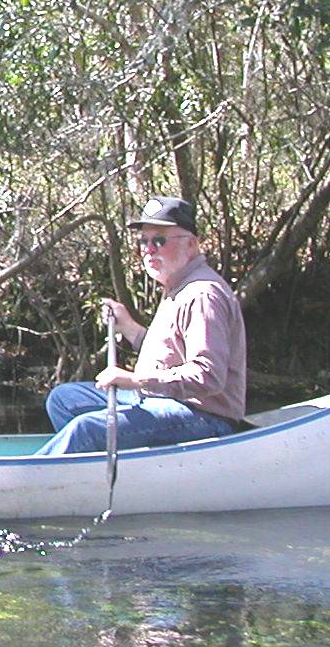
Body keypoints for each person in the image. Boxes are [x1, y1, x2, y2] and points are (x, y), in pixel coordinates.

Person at [40, 195, 246, 455]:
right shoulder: (176, 285)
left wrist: (136, 380)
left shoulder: (202, 295)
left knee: (87, 429)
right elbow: (171, 353)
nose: (149, 249)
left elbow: (207, 376)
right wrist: (129, 328)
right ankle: (92, 473)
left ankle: (22, 484)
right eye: (144, 241)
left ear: (191, 245)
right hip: (163, 400)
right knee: (64, 399)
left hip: (204, 416)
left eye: (160, 240)